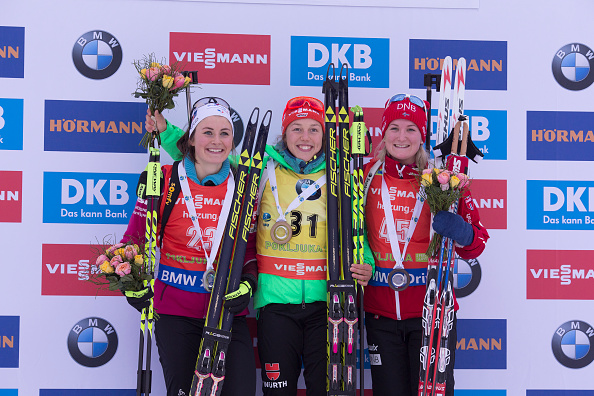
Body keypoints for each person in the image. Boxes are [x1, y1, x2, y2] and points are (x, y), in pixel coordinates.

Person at [122, 97, 257, 396]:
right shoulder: (165, 180)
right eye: (207, 132)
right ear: (192, 138)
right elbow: (134, 241)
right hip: (176, 316)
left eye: (225, 133)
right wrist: (131, 283)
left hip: (227, 314)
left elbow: (248, 250)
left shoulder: (243, 185)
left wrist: (248, 283)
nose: (217, 141)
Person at [362, 94, 490, 396]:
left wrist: (461, 230)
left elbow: (477, 242)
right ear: (383, 132)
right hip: (380, 312)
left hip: (432, 312)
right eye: (394, 127)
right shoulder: (365, 176)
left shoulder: (444, 179)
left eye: (411, 129)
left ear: (423, 136)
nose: (401, 137)